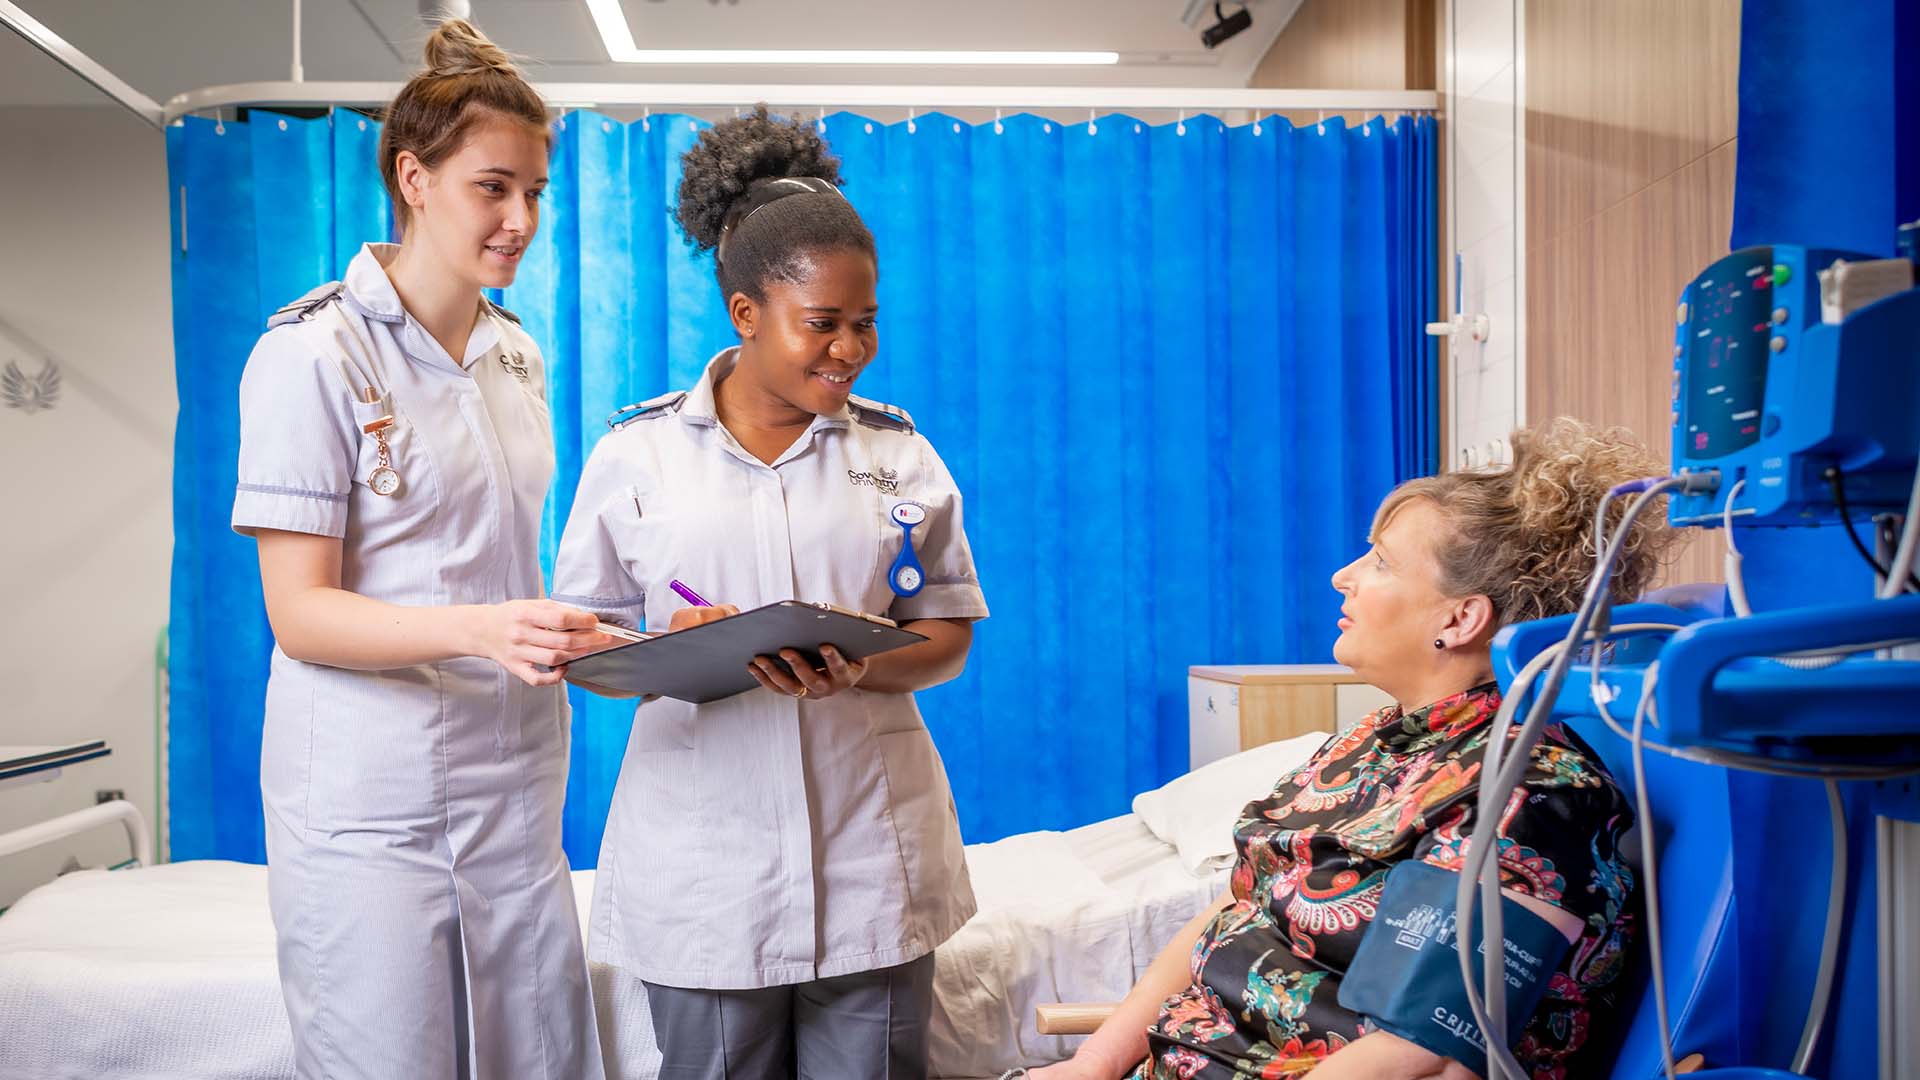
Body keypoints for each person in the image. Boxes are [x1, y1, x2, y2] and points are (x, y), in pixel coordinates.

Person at [1019, 418, 1675, 1080]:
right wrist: (1092, 1065)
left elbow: (1417, 1059)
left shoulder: (1527, 795)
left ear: (1459, 619)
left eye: (1381, 561)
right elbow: (1238, 909)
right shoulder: (1378, 740)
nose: (1343, 575)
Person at [550, 106, 988, 1078]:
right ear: (747, 314)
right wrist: (675, 642)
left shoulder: (898, 459)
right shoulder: (637, 458)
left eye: (865, 322)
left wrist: (858, 669)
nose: (850, 348)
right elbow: (582, 643)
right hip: (705, 870)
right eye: (822, 325)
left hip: (872, 856)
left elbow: (944, 630)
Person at [231, 19, 607, 1079]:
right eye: (494, 187)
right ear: (414, 177)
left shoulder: (515, 356)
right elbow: (300, 614)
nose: (521, 218)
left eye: (536, 190)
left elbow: (502, 571)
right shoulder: (310, 355)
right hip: (370, 806)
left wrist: (588, 634)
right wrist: (485, 631)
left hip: (516, 792)